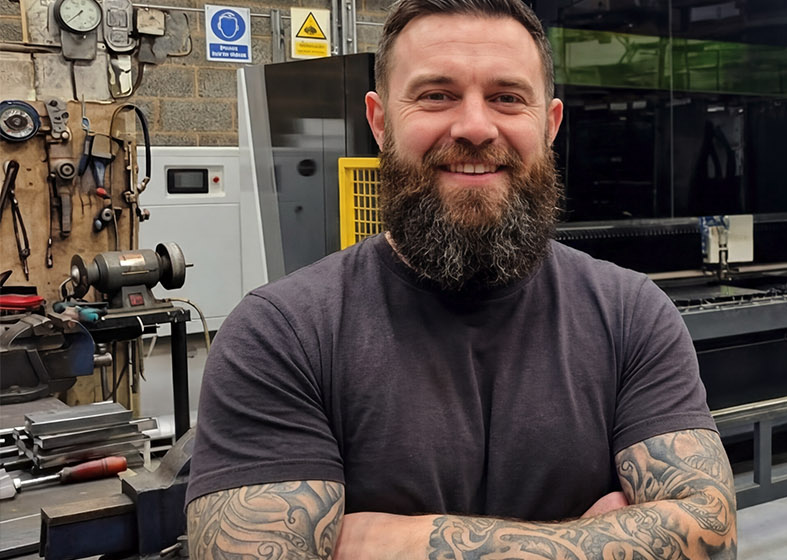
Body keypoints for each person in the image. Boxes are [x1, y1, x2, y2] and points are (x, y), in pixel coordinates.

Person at [183, 0, 737, 557]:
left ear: (550, 125)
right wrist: (594, 539)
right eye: (436, 95)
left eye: (507, 98)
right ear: (380, 122)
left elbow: (711, 537)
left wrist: (388, 542)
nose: (475, 127)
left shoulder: (631, 315)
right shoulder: (281, 336)